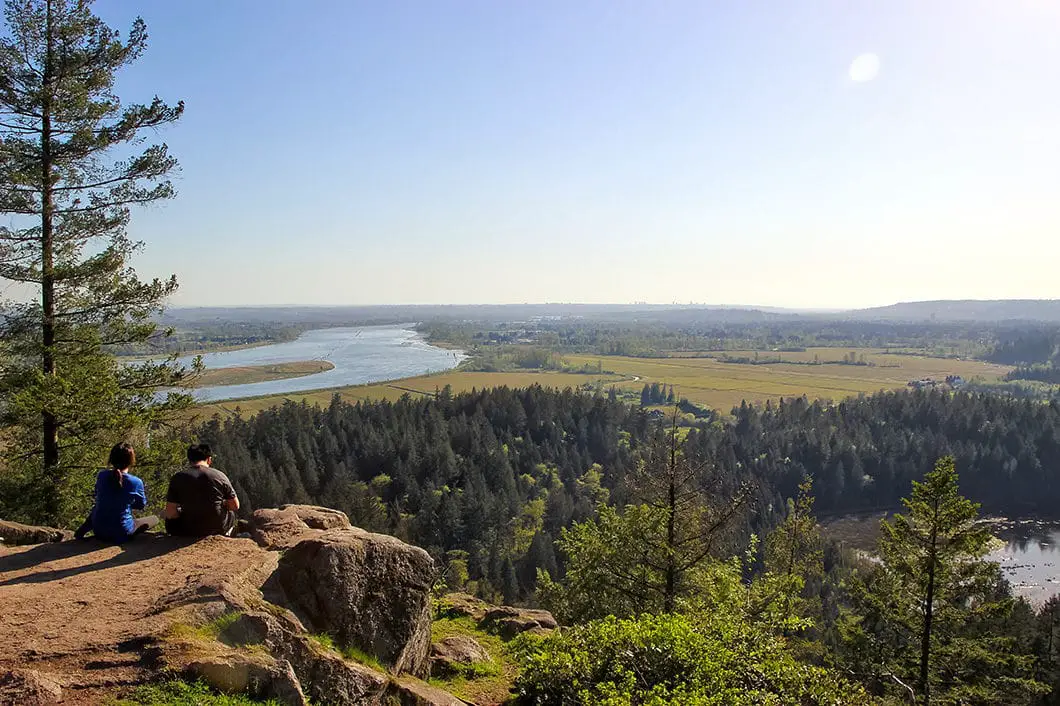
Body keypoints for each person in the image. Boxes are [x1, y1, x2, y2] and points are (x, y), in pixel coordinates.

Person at [74, 443, 159, 543]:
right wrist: (125, 501)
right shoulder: (136, 482)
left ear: (111, 459)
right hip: (121, 533)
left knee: (101, 507)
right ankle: (132, 533)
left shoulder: (102, 476)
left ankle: (83, 531)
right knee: (154, 519)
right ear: (131, 460)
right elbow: (141, 505)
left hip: (99, 531)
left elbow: (99, 498)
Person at [164, 444, 240, 537]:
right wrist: (223, 504)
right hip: (217, 527)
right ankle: (227, 536)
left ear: (189, 460)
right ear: (209, 459)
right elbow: (235, 505)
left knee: (169, 517)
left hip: (187, 529)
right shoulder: (220, 476)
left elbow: (171, 512)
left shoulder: (178, 478)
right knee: (231, 513)